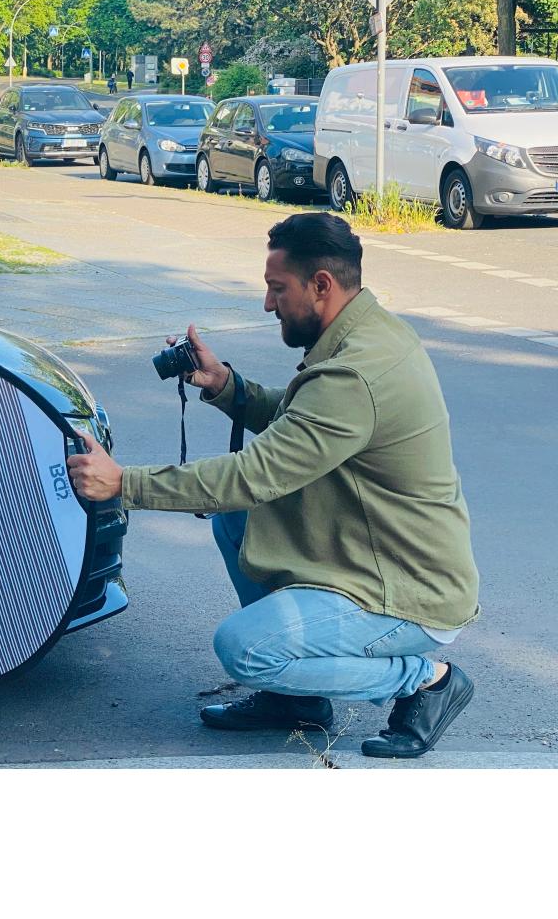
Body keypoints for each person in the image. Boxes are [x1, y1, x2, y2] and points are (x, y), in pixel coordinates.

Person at [66, 212, 480, 759]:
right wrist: (225, 386)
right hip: (373, 555)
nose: (267, 304)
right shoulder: (366, 334)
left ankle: (426, 680)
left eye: (276, 288)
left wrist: (125, 484)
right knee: (237, 520)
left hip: (407, 596)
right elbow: (299, 423)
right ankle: (297, 700)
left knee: (242, 648)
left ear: (322, 285)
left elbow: (254, 475)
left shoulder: (354, 373)